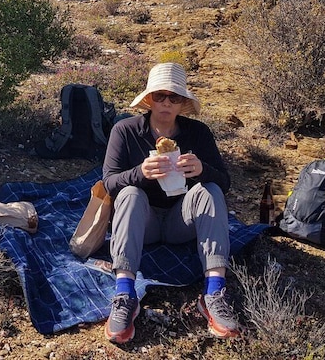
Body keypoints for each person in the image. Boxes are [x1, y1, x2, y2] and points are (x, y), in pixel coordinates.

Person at [101, 62, 239, 343]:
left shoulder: (197, 133)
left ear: (183, 102)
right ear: (149, 99)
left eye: (174, 97)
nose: (166, 103)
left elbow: (224, 182)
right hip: (144, 222)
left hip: (181, 220)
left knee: (209, 190)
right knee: (128, 192)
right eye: (160, 96)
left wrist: (203, 169)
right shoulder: (125, 131)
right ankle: (125, 294)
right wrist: (140, 173)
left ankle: (213, 293)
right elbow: (109, 182)